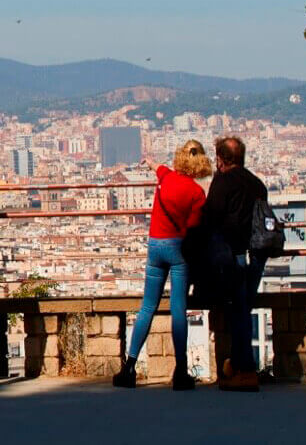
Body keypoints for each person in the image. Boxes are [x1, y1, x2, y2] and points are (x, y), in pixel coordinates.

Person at [113, 140, 212, 390]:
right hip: (178, 249)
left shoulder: (165, 177)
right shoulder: (196, 193)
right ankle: (180, 371)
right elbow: (194, 228)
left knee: (147, 307)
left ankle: (129, 367)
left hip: (155, 247)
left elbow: (158, 167)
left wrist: (149, 161)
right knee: (178, 310)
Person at [200, 136, 269, 392]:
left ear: (220, 159)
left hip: (235, 256)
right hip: (257, 256)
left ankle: (244, 370)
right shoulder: (257, 184)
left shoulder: (223, 183)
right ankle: (240, 365)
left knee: (238, 313)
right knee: (244, 310)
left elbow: (210, 219)